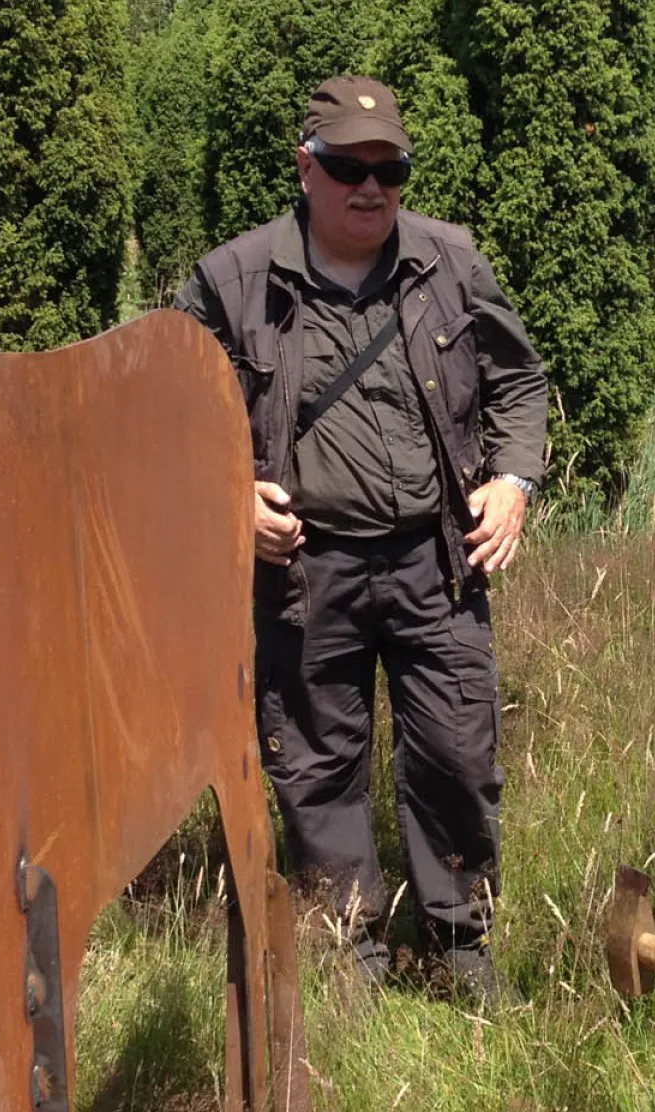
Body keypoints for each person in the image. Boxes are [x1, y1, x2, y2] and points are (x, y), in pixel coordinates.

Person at [176, 76, 549, 1001]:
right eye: (348, 168)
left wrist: (513, 483)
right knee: (316, 765)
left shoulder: (449, 261)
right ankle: (348, 953)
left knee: (458, 754)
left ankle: (459, 946)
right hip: (305, 569)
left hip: (438, 560)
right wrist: (225, 498)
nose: (371, 188)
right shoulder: (232, 282)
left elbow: (519, 380)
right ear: (305, 168)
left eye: (390, 169)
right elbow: (165, 415)